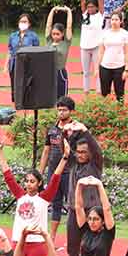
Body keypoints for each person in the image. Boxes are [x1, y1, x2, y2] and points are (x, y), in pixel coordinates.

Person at [0, 143, 69, 256]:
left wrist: (64, 158)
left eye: (32, 181)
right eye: (27, 181)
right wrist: (1, 153)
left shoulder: (44, 198)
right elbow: (8, 177)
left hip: (37, 245)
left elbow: (55, 179)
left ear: (39, 183)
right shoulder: (20, 195)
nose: (28, 184)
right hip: (18, 243)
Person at [38, 97, 84, 240]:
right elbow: (46, 151)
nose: (61, 113)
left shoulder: (76, 130)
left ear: (71, 111)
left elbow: (82, 152)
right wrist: (40, 172)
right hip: (53, 172)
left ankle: (76, 236)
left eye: (64, 110)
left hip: (70, 172)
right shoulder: (52, 129)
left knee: (73, 205)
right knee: (55, 204)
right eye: (59, 110)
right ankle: (52, 236)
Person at [65, 133, 105, 256]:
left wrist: (86, 132)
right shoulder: (73, 164)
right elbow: (66, 148)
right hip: (74, 211)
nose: (80, 155)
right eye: (78, 152)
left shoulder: (95, 165)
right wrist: (66, 132)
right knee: (72, 247)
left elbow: (97, 150)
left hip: (92, 212)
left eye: (84, 152)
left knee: (94, 246)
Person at [4, 15, 40, 103]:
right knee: (14, 83)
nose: (23, 23)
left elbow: (37, 51)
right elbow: (10, 51)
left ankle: (26, 101)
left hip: (27, 63)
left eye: (25, 21)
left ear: (29, 24)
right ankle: (16, 102)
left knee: (26, 83)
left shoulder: (33, 36)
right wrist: (6, 65)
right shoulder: (13, 36)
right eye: (21, 21)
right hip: (14, 62)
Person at [97, 12, 128, 102]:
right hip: (105, 66)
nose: (114, 22)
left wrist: (126, 69)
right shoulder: (104, 34)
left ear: (121, 21)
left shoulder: (125, 34)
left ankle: (120, 113)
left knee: (119, 93)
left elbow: (127, 52)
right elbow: (101, 52)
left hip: (119, 67)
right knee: (104, 93)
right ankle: (105, 113)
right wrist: (97, 68)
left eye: (116, 19)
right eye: (112, 19)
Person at [45, 6, 74, 97]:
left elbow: (69, 26)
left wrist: (69, 11)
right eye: (53, 34)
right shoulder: (49, 41)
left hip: (60, 71)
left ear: (62, 34)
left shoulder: (65, 43)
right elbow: (48, 25)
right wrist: (53, 10)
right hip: (49, 71)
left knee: (61, 96)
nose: (55, 36)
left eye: (58, 34)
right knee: (49, 94)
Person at [79, 0, 103, 93]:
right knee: (86, 72)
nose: (89, 8)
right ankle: (86, 92)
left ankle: (99, 92)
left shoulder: (100, 15)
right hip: (84, 47)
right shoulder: (85, 15)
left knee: (97, 71)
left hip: (96, 47)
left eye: (92, 6)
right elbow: (82, 3)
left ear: (97, 7)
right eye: (88, 7)